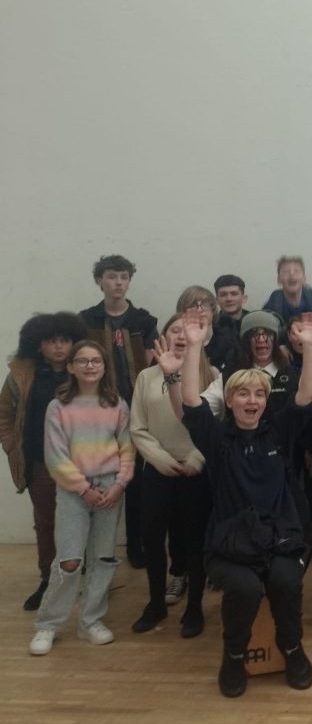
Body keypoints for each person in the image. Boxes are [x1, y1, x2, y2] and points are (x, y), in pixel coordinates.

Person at [179, 309, 312, 697]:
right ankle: (234, 656)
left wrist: (309, 348)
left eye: (259, 394)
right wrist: (193, 346)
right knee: (244, 589)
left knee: (286, 581)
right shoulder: (217, 438)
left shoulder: (278, 433)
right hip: (230, 545)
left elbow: (305, 396)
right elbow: (190, 400)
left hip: (279, 539)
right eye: (243, 393)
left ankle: (292, 649)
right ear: (229, 400)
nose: (252, 400)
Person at [28, 340, 135, 655]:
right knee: (70, 560)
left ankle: (90, 621)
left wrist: (119, 484)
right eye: (83, 361)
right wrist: (83, 488)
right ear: (71, 367)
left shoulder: (117, 404)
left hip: (110, 488)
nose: (90, 366)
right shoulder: (58, 407)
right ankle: (48, 625)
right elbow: (55, 456)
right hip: (74, 491)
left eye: (96, 361)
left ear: (104, 366)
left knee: (102, 558)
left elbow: (127, 448)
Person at [128, 314, 218, 639]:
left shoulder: (211, 375)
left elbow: (214, 428)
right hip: (158, 470)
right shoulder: (146, 376)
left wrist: (196, 459)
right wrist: (161, 460)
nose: (181, 335)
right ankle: (156, 604)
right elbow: (137, 427)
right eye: (174, 330)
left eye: (186, 331)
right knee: (152, 540)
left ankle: (194, 607)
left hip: (196, 471)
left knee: (194, 542)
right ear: (164, 335)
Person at [0, 312, 88, 610]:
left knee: (85, 520)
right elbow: (4, 413)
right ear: (38, 345)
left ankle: (84, 575)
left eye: (64, 340)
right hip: (40, 463)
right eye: (52, 341)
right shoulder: (21, 376)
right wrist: (12, 446)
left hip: (82, 462)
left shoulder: (86, 370)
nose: (59, 347)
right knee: (46, 522)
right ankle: (48, 580)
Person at [79, 254, 158, 569]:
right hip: (98, 412)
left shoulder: (144, 321)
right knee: (98, 479)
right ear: (100, 280)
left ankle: (136, 547)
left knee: (135, 482)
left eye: (124, 277)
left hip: (137, 411)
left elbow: (152, 364)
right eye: (112, 276)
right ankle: (97, 552)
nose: (118, 283)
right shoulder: (86, 321)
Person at [262, 255, 312, 331]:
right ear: (279, 279)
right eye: (286, 272)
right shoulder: (270, 308)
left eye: (297, 271)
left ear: (304, 279)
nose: (291, 274)